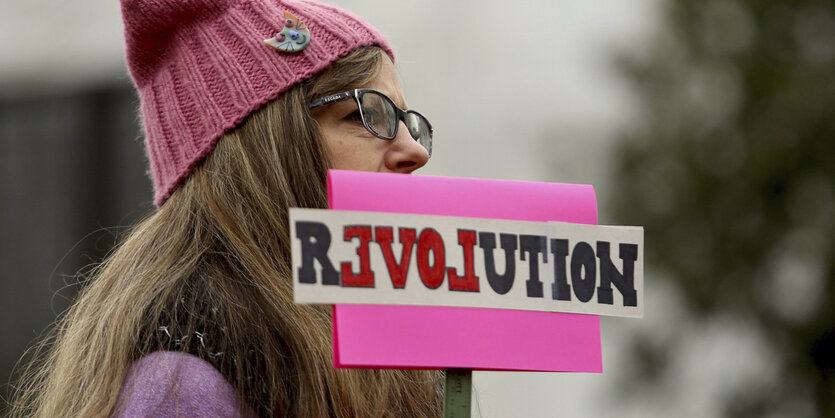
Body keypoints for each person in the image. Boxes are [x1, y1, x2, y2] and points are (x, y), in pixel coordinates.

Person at [12, 0, 442, 416]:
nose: (413, 152)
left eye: (409, 122)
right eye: (364, 114)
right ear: (264, 145)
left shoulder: (381, 345)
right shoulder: (178, 388)